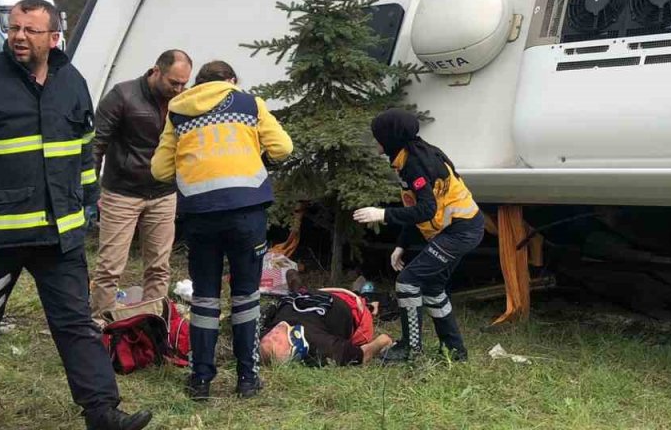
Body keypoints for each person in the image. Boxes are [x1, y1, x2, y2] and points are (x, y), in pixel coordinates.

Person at [0, 0, 151, 430]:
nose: (19, 36)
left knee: (77, 325)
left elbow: (83, 147)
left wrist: (89, 195)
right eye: (14, 28)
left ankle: (102, 413)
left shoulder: (71, 82)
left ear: (54, 37)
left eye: (30, 30)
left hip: (58, 236)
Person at [150, 60, 292, 401]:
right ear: (231, 80)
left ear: (199, 83)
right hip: (246, 213)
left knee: (204, 297)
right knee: (246, 295)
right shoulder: (249, 103)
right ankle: (247, 379)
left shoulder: (178, 111)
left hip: (200, 215)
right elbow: (283, 148)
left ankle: (200, 380)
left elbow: (159, 170)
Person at [352, 108, 484, 362]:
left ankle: (410, 348)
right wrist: (401, 244)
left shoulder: (415, 164)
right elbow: (414, 207)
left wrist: (383, 214)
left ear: (390, 137)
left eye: (378, 136)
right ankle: (455, 351)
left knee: (407, 281)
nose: (375, 141)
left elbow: (426, 209)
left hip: (460, 231)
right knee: (433, 288)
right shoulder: (409, 156)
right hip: (458, 230)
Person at [89, 49, 192, 325]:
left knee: (159, 266)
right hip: (121, 192)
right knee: (110, 266)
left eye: (184, 83)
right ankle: (101, 322)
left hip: (163, 193)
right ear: (156, 71)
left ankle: (154, 322)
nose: (178, 89)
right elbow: (97, 143)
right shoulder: (122, 96)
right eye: (174, 82)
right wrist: (89, 188)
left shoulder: (183, 101)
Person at [259, 270, 394, 367]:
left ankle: (297, 288)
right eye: (276, 340)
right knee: (368, 307)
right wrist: (381, 342)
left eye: (267, 337)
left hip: (307, 297)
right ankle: (369, 301)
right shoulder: (321, 345)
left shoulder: (266, 329)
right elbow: (364, 354)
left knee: (294, 298)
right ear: (293, 349)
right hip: (348, 305)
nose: (273, 334)